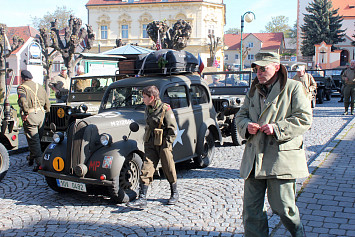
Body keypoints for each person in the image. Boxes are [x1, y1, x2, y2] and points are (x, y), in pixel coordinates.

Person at [235, 52, 312, 237]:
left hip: (280, 159)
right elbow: (240, 115)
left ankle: (298, 234)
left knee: (284, 208)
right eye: (256, 69)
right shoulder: (254, 89)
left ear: (276, 67)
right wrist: (247, 126)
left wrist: (277, 128)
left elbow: (304, 118)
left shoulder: (293, 87)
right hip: (254, 158)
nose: (258, 73)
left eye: (263, 68)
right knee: (251, 212)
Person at [127, 85, 178, 208]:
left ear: (152, 97)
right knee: (146, 168)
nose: (143, 99)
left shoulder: (165, 109)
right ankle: (142, 198)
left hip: (163, 143)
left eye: (144, 97)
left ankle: (174, 193)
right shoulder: (148, 108)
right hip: (151, 143)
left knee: (168, 168)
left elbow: (173, 130)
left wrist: (167, 145)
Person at [17, 70, 50, 171]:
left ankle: (41, 164)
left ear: (22, 78)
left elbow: (22, 101)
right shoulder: (39, 86)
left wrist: (25, 113)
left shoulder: (22, 87)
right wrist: (47, 113)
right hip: (41, 115)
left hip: (30, 116)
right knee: (36, 139)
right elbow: (47, 102)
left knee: (34, 141)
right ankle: (31, 158)